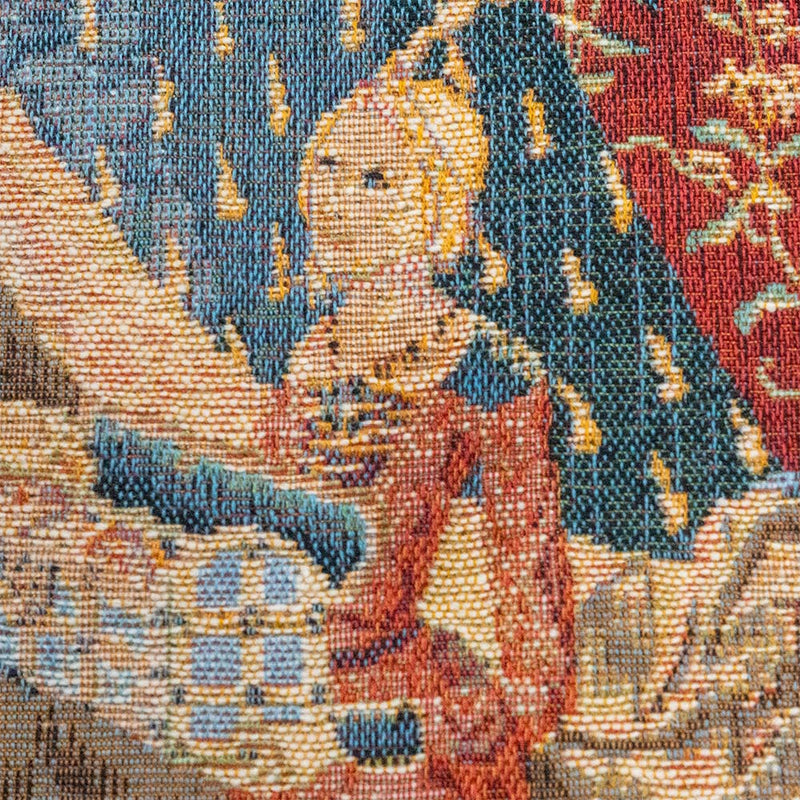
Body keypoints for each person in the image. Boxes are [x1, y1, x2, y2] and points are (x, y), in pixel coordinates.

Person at [0, 21, 574, 800]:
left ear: (441, 210)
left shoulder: (488, 371)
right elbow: (261, 496)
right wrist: (102, 455)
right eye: (328, 167)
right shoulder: (314, 349)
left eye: (377, 180)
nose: (335, 198)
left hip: (378, 684)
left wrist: (495, 717)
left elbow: (531, 607)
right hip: (264, 637)